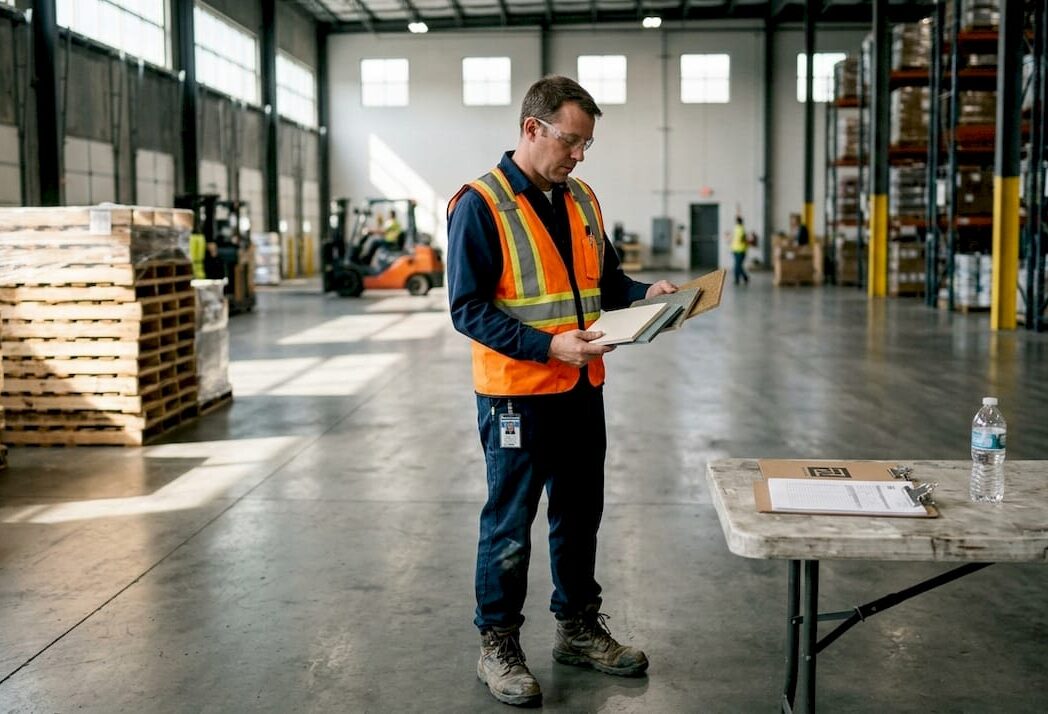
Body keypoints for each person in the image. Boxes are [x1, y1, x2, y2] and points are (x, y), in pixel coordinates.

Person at [447, 75, 677, 708]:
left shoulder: (581, 199)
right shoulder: (480, 204)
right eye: (571, 141)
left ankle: (576, 627)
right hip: (517, 394)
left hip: (581, 386)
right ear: (532, 129)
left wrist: (643, 295)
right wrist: (549, 345)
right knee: (511, 524)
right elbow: (467, 310)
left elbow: (603, 279)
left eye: (586, 145)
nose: (579, 155)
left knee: (579, 516)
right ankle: (497, 642)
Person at [730, 216, 750, 285]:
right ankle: (743, 277)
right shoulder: (739, 228)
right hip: (738, 249)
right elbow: (741, 239)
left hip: (738, 250)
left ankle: (738, 279)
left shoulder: (738, 229)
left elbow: (741, 238)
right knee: (738, 265)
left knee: (737, 265)